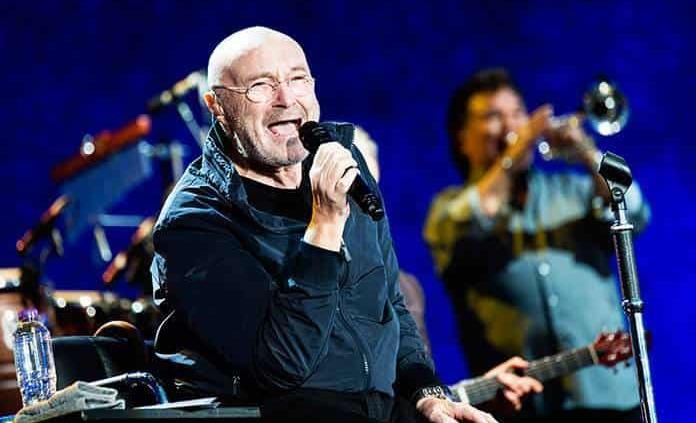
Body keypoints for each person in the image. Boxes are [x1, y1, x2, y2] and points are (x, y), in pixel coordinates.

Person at [150, 26, 500, 423]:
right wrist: (325, 225)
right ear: (217, 106)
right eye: (260, 86)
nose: (287, 99)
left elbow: (390, 302)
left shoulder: (343, 159)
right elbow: (282, 367)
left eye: (298, 79)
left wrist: (428, 395)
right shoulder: (194, 221)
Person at [423, 69, 650, 423]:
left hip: (612, 396)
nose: (512, 126)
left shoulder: (571, 190)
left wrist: (585, 151)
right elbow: (471, 218)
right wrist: (514, 153)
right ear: (462, 138)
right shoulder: (447, 210)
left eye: (518, 113)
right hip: (521, 408)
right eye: (493, 116)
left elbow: (633, 209)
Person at [352, 126, 542, 416]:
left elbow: (414, 394)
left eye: (370, 192)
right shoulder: (301, 283)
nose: (363, 206)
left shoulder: (405, 287)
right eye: (349, 191)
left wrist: (476, 393)